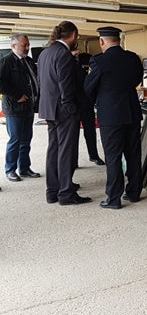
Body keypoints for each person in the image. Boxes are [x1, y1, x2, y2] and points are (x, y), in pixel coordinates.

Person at [84, 26, 143, 209]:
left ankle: (113, 198)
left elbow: (88, 88)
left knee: (113, 157)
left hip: (111, 116)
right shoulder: (133, 58)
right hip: (132, 112)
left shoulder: (99, 61)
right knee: (133, 154)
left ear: (102, 41)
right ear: (119, 40)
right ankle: (134, 193)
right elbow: (136, 81)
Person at [38, 21, 91, 205]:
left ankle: (53, 191)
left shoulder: (45, 53)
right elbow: (65, 85)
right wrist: (71, 107)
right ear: (74, 35)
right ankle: (66, 193)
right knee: (66, 151)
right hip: (63, 109)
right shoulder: (63, 54)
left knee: (54, 149)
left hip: (49, 108)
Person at [0, 34, 40, 183]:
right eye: (24, 45)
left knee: (26, 139)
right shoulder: (6, 61)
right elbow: (1, 83)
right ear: (14, 46)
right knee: (15, 139)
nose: (27, 48)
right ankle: (10, 170)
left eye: (28, 44)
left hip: (28, 106)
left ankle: (24, 168)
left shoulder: (28, 61)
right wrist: (16, 95)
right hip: (14, 108)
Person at [72, 52, 105, 168]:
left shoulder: (87, 59)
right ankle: (73, 160)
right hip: (74, 103)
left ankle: (94, 155)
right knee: (73, 133)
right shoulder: (67, 62)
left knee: (90, 131)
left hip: (87, 102)